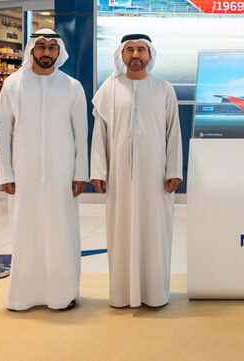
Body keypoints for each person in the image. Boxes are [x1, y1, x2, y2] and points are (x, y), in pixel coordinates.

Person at [0, 28, 88, 311]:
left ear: (59, 51)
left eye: (51, 47)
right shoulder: (13, 84)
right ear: (31, 49)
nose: (46, 52)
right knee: (25, 232)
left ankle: (63, 294)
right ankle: (23, 296)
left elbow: (81, 133)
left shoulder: (72, 86)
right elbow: (3, 132)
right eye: (41, 46)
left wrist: (80, 173)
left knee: (62, 232)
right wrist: (6, 173)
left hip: (63, 173)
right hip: (24, 173)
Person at [90, 34, 183, 308]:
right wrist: (99, 171)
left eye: (141, 50)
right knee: (120, 232)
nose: (135, 55)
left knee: (155, 232)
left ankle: (154, 293)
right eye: (129, 50)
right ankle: (121, 294)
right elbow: (99, 133)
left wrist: (173, 170)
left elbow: (173, 132)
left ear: (149, 55)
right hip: (119, 176)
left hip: (155, 176)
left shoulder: (164, 89)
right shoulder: (108, 89)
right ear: (121, 55)